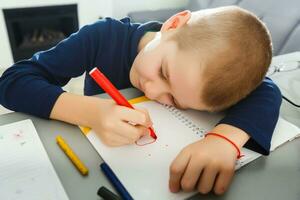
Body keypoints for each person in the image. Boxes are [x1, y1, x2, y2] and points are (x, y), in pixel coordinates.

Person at [0, 6, 281, 195]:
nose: (155, 91)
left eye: (175, 100)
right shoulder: (102, 37)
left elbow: (267, 90)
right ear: (173, 24)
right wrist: (87, 111)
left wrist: (224, 140)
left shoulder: (209, 76)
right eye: (163, 72)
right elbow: (12, 82)